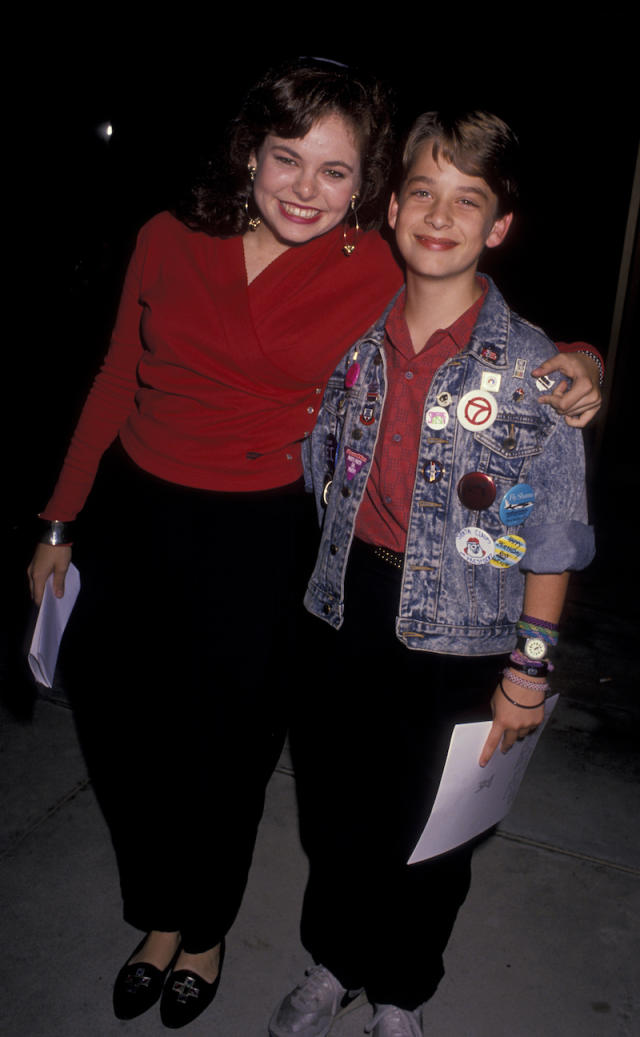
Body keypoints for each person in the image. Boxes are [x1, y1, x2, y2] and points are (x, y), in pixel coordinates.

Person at [26, 60, 600, 1029]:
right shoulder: (206, 250)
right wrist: (59, 518)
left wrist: (584, 361)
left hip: (311, 557)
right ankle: (194, 926)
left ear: (362, 189)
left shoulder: (391, 279)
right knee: (171, 752)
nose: (304, 187)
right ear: (250, 154)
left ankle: (282, 955)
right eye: (287, 158)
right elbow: (116, 370)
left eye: (334, 171)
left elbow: (509, 371)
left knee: (300, 780)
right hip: (221, 551)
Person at [270, 111, 596, 1037]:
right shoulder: (346, 335)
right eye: (423, 191)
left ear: (498, 226)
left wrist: (529, 670)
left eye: (468, 200)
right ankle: (334, 958)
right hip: (342, 608)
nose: (440, 216)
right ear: (391, 206)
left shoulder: (537, 369)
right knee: (335, 813)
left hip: (468, 633)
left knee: (435, 834)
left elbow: (556, 537)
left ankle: (402, 991)